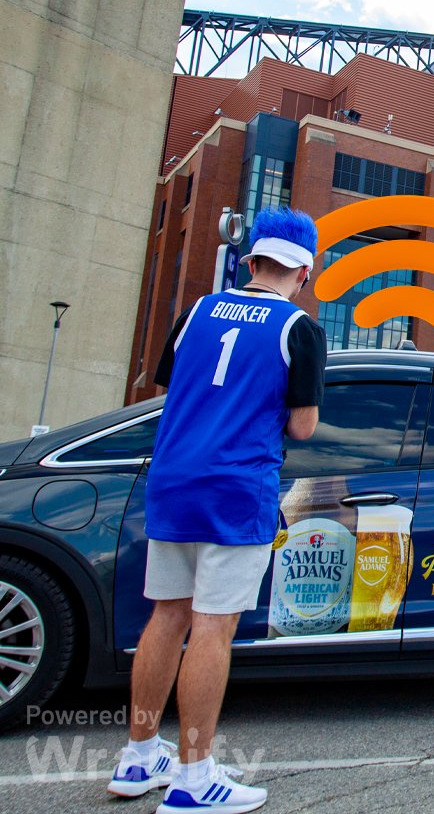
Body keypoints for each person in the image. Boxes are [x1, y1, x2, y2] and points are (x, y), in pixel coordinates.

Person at [109, 208, 327, 813]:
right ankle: (195, 775)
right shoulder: (297, 328)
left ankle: (137, 756)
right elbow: (303, 426)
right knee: (214, 626)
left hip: (174, 481)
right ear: (304, 270)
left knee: (167, 616)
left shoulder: (194, 313)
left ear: (250, 259)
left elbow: (169, 390)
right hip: (236, 488)